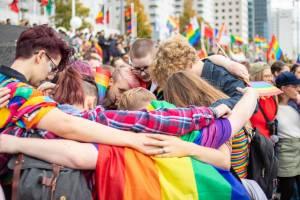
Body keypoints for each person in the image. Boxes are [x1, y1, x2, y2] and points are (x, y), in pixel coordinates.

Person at [0, 76, 257, 199]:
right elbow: (226, 153)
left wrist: (14, 143)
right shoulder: (197, 131)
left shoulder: (119, 144)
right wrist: (252, 94)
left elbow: (77, 156)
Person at [0, 25, 226, 156]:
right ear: (40, 56)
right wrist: (132, 140)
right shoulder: (18, 92)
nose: (50, 74)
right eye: (52, 66)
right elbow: (69, 125)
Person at [130, 37, 249, 102]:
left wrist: (215, 110)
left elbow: (250, 101)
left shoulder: (221, 75)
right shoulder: (192, 76)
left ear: (183, 67)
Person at [275, 72, 300, 200]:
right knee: (288, 190)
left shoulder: (295, 104)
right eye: (294, 86)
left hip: (298, 151)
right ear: (283, 88)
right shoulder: (273, 107)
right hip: (285, 153)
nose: (298, 88)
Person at [249, 62, 278, 138]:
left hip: (269, 142)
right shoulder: (249, 97)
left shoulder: (273, 96)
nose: (271, 79)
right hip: (255, 142)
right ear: (256, 77)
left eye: (271, 75)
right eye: (266, 76)